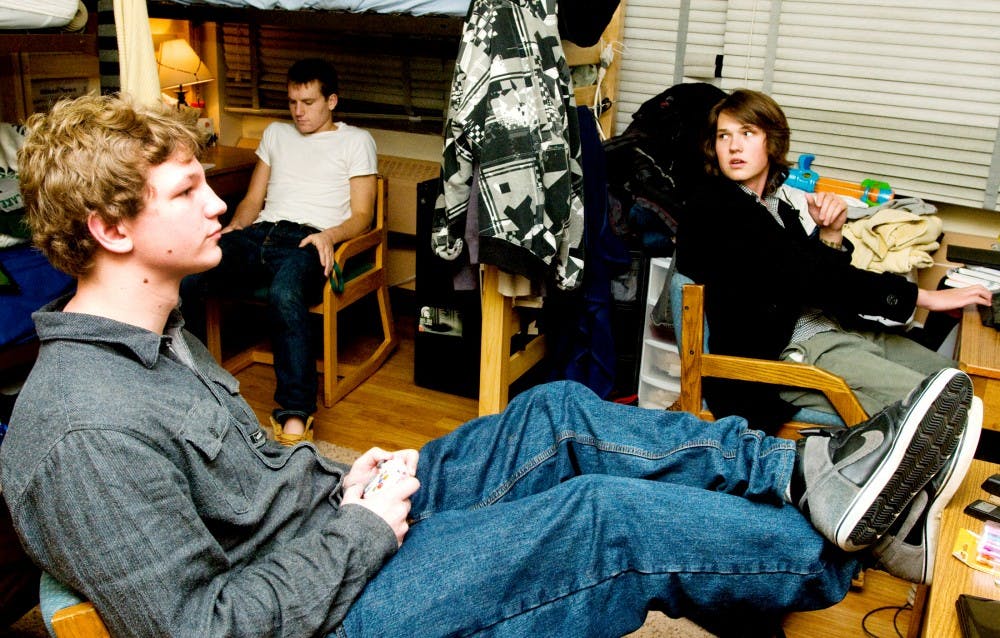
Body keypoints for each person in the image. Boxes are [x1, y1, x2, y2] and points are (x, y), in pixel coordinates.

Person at [0, 94, 981, 638]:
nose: (217, 202)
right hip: (335, 609)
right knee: (601, 516)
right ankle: (832, 550)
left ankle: (808, 476)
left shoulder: (161, 338)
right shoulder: (84, 422)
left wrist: (343, 481)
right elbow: (200, 631)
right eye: (185, 191)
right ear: (109, 225)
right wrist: (352, 528)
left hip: (331, 533)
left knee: (559, 409)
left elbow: (243, 497)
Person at [675, 89, 993, 433]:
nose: (734, 146)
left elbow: (814, 275)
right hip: (793, 352)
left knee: (963, 385)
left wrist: (831, 234)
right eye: (724, 136)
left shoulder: (776, 207)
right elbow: (814, 278)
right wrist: (924, 297)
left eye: (747, 133)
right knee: (946, 407)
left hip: (838, 329)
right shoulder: (715, 207)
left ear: (772, 142)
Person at [182, 57, 378, 446]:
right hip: (259, 234)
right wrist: (234, 230)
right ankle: (187, 381)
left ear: (332, 100)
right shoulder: (276, 134)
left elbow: (363, 215)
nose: (299, 111)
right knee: (187, 274)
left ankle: (294, 414)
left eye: (308, 102)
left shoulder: (356, 141)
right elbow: (253, 199)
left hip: (307, 240)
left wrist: (330, 236)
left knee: (285, 294)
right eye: (292, 102)